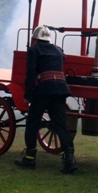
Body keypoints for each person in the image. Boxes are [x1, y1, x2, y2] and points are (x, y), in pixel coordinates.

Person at [14, 25, 78, 174]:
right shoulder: (58, 50)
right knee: (61, 125)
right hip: (60, 89)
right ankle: (70, 160)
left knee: (32, 122)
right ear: (48, 38)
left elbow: (31, 73)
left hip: (44, 89)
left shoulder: (34, 50)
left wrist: (28, 94)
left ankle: (29, 158)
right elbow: (63, 56)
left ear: (35, 39)